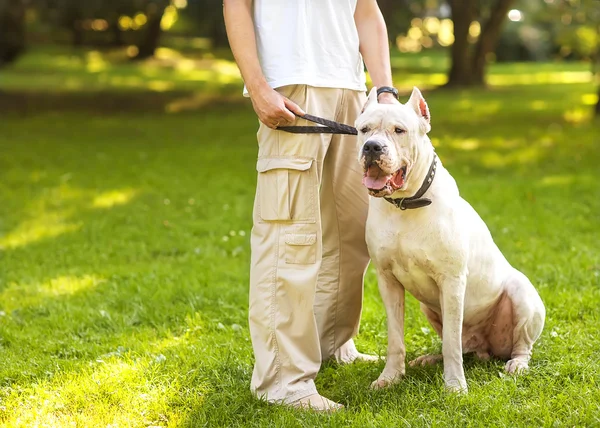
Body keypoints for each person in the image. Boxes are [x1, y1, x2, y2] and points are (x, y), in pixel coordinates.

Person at [224, 0, 398, 411]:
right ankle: (283, 381)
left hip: (351, 89)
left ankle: (332, 342)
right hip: (292, 88)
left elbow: (366, 11)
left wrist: (385, 90)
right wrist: (259, 86)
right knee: (290, 236)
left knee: (352, 229)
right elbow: (236, 5)